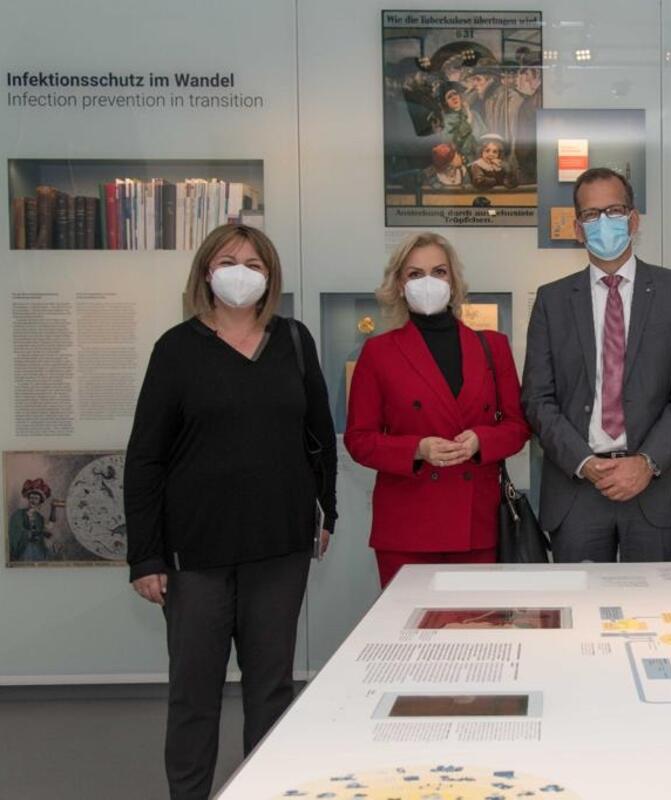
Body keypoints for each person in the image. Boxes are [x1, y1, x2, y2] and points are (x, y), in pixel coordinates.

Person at [124, 224, 338, 800]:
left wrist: (328, 514)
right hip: (195, 554)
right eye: (227, 261)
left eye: (254, 264)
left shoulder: (294, 341)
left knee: (271, 692)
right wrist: (145, 556)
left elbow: (320, 436)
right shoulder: (176, 348)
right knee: (193, 695)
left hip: (280, 548)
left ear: (270, 276)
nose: (240, 273)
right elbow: (144, 458)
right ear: (205, 271)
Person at [522, 167, 671, 562]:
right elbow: (538, 398)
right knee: (582, 601)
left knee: (658, 600)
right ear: (578, 229)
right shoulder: (552, 301)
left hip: (657, 487)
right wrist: (584, 462)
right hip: (577, 490)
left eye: (614, 211)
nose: (604, 222)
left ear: (633, 219)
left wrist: (647, 462)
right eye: (591, 215)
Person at [344, 232, 530, 587]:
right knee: (411, 623)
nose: (428, 282)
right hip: (407, 528)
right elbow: (359, 439)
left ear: (453, 281)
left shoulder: (493, 347)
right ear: (400, 285)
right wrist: (417, 449)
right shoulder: (378, 353)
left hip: (477, 525)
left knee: (476, 621)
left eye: (439, 272)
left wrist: (481, 440)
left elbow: (518, 426)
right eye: (415, 274)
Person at [8, 478, 63, 563]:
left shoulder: (39, 517)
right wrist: (32, 534)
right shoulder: (19, 514)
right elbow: (15, 532)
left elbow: (48, 527)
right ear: (28, 499)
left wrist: (53, 509)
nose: (33, 501)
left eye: (36, 498)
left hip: (37, 551)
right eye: (31, 498)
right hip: (24, 550)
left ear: (40, 501)